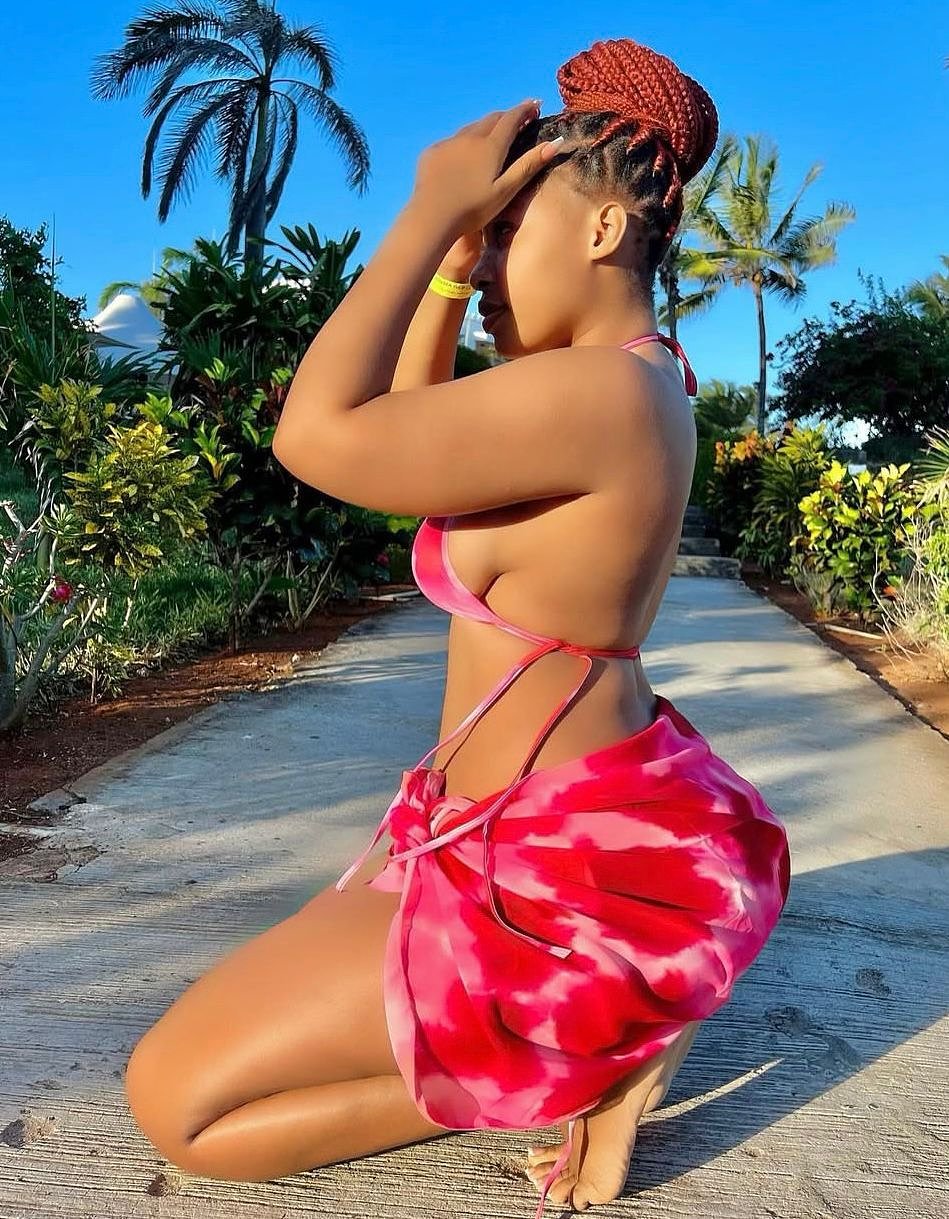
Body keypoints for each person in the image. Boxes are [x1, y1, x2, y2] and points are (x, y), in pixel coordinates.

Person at [123, 36, 791, 1219]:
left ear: (600, 230)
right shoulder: (628, 381)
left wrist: (429, 213)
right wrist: (449, 268)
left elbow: (316, 437)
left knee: (180, 1108)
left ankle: (581, 1056)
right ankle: (576, 1043)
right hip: (487, 838)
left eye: (506, 232)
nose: (482, 266)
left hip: (543, 886)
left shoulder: (602, 391)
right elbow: (411, 432)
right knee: (199, 1091)